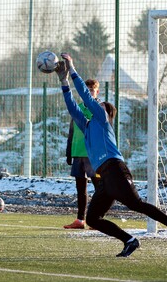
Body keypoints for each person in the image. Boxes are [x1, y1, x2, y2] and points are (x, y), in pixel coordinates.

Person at [55, 53, 167, 257]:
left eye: (102, 105)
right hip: (104, 177)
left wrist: (72, 69)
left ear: (107, 113)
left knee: (137, 205)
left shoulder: (101, 119)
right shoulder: (88, 126)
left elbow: (84, 96)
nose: (98, 104)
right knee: (93, 219)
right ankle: (130, 240)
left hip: (116, 170)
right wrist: (63, 81)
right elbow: (73, 108)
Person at [64, 79, 101, 229]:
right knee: (81, 190)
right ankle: (80, 220)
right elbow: (72, 131)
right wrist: (68, 151)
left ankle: (98, 219)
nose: (89, 92)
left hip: (93, 155)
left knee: (99, 189)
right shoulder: (77, 108)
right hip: (78, 153)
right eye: (87, 90)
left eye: (92, 90)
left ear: (97, 92)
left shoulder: (99, 108)